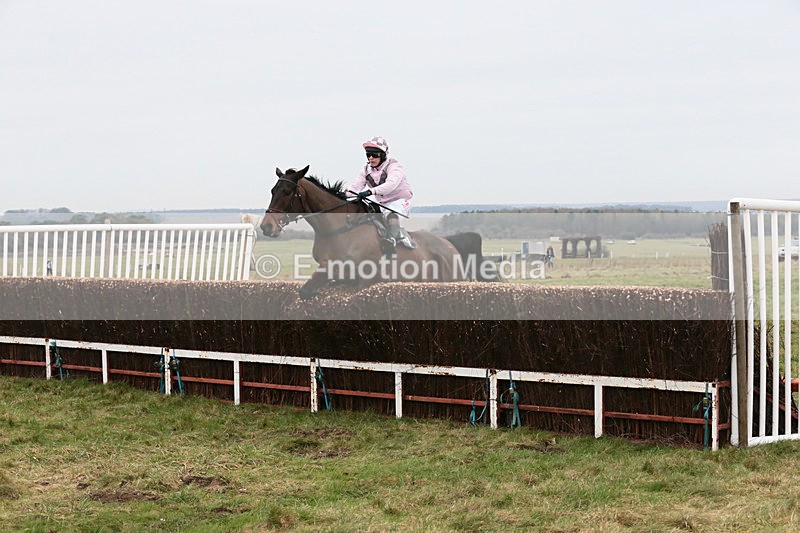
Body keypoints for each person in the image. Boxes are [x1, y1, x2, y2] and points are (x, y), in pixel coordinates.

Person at [347, 135, 414, 253]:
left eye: (375, 155)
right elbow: (355, 187)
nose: (371, 158)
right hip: (382, 202)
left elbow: (390, 185)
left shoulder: (394, 166)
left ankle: (392, 240)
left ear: (383, 155)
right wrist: (342, 195)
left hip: (400, 200)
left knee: (391, 214)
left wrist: (370, 191)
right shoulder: (366, 169)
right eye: (368, 155)